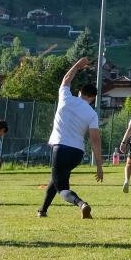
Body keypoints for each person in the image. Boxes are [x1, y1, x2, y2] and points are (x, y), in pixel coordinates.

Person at [39, 57, 103, 219]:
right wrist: (99, 165)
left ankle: (82, 204)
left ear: (80, 92)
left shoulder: (66, 98)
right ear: (93, 98)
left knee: (62, 189)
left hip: (60, 148)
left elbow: (67, 79)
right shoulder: (92, 114)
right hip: (77, 153)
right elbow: (95, 140)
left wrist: (77, 66)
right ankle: (42, 210)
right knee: (57, 178)